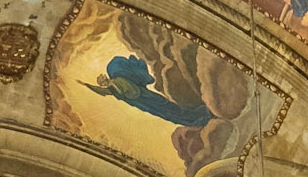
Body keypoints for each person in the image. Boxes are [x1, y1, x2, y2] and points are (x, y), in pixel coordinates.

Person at [85, 54, 214, 128]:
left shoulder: (117, 78)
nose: (103, 82)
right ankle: (193, 120)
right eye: (101, 82)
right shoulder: (111, 89)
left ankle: (196, 114)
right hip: (141, 102)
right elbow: (101, 92)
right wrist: (88, 86)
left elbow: (132, 83)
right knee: (164, 113)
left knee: (167, 106)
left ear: (105, 77)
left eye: (102, 80)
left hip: (145, 96)